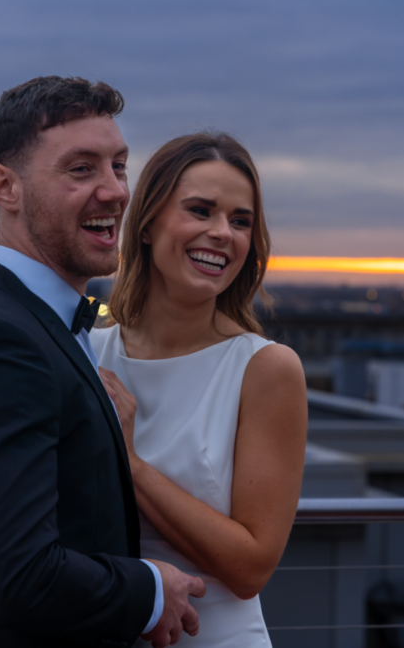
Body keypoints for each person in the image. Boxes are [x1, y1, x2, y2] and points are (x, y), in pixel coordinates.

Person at [0, 76, 206, 648]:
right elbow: (15, 579)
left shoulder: (22, 322)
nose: (116, 192)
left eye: (118, 165)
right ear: (5, 186)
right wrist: (151, 588)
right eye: (81, 169)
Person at [90, 133, 309, 647]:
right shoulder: (86, 353)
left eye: (240, 221)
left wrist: (131, 462)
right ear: (146, 225)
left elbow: (252, 567)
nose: (221, 234)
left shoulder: (266, 369)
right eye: (200, 210)